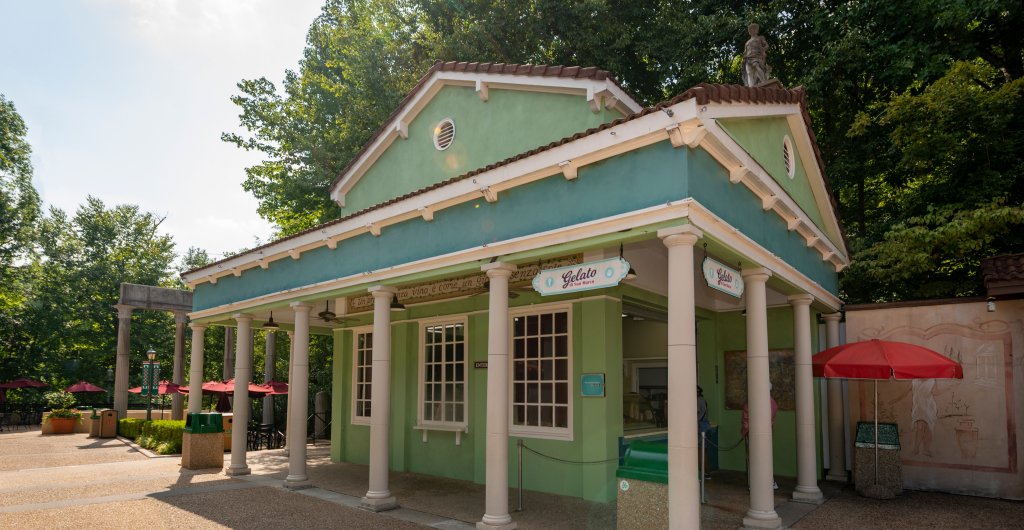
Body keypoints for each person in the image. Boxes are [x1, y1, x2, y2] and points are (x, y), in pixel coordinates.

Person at [742, 382, 779, 489]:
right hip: (762, 432)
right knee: (761, 456)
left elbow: (747, 417)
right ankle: (764, 480)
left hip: (758, 433)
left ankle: (763, 481)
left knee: (759, 457)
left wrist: (747, 429)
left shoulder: (760, 401)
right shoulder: (770, 401)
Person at [697, 386, 712, 479]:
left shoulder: (698, 400)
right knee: (704, 449)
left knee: (699, 449)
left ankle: (699, 474)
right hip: (705, 423)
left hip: (700, 425)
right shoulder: (702, 399)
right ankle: (706, 473)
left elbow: (696, 413)